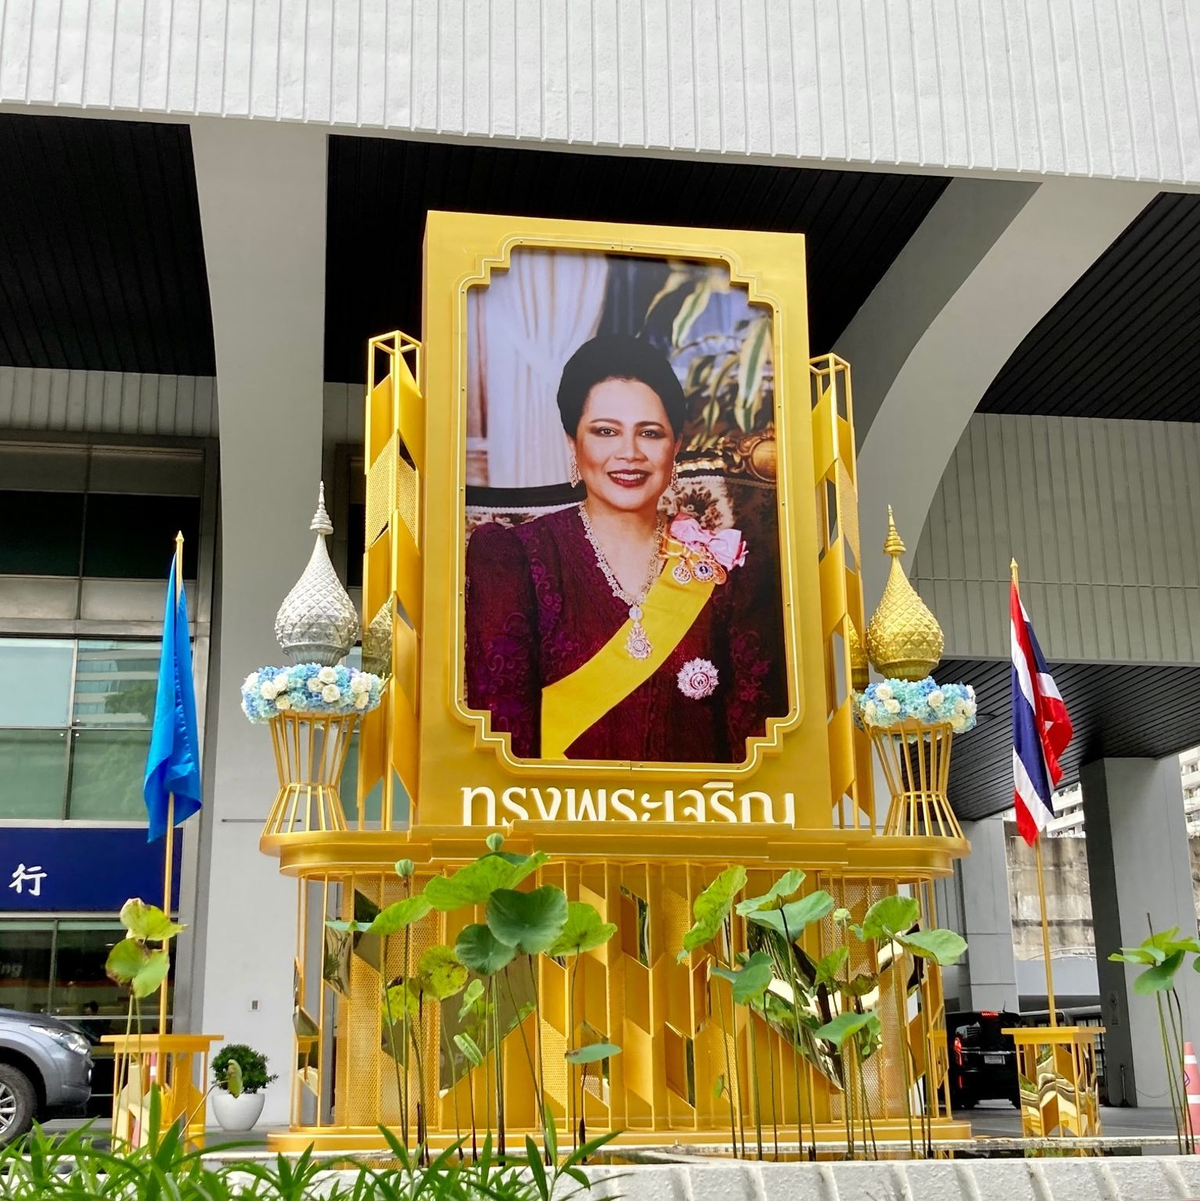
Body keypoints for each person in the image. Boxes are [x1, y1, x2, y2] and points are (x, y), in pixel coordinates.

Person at [464, 334, 785, 762]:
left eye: (650, 433)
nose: (629, 453)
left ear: (675, 447)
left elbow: (756, 749)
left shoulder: (729, 573)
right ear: (572, 443)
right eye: (605, 431)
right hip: (557, 823)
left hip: (698, 823)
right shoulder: (513, 561)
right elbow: (501, 745)